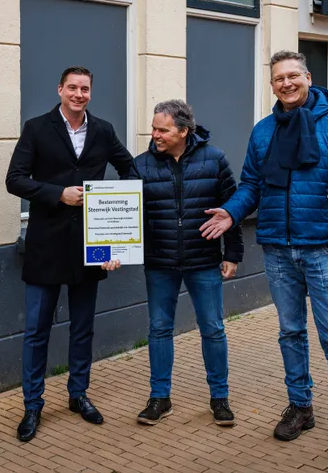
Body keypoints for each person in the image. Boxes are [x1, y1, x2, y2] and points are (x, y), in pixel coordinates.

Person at [200, 50, 328, 470]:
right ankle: (300, 407)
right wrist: (232, 211)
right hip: (278, 249)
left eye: (293, 76)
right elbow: (252, 184)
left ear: (308, 76)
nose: (286, 84)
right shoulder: (264, 130)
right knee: (290, 332)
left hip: (326, 249)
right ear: (271, 85)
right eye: (278, 79)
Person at [5, 66, 133, 442]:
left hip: (91, 245)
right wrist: (57, 193)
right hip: (46, 243)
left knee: (83, 327)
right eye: (73, 87)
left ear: (91, 93)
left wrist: (119, 232)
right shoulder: (37, 128)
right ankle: (32, 404)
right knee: (37, 330)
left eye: (85, 89)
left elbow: (130, 171)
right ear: (60, 89)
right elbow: (15, 179)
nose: (79, 94)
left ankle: (79, 394)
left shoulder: (104, 130)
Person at [130, 99, 243, 427]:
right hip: (159, 262)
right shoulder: (141, 165)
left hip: (204, 260)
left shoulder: (215, 159)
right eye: (153, 128)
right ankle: (159, 398)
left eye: (162, 129)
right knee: (159, 329)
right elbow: (122, 215)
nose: (155, 135)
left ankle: (219, 398)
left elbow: (231, 208)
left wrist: (232, 254)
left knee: (213, 329)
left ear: (183, 130)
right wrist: (109, 252)